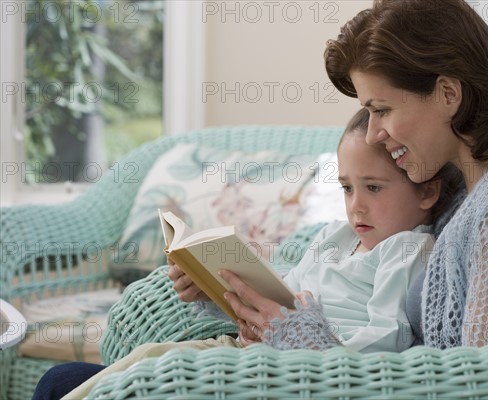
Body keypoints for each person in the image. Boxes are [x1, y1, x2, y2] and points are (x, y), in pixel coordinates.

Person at [216, 0, 488, 351]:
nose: (374, 133)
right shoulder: (463, 184)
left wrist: (306, 343)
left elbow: (487, 382)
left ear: (447, 93)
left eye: (383, 110)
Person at [32, 107, 460, 399]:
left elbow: (384, 352)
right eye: (347, 188)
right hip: (242, 351)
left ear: (427, 191)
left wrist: (311, 343)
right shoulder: (335, 237)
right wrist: (216, 291)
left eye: (374, 188)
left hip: (283, 376)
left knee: (140, 376)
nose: (356, 205)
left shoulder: (408, 253)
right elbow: (276, 298)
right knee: (137, 361)